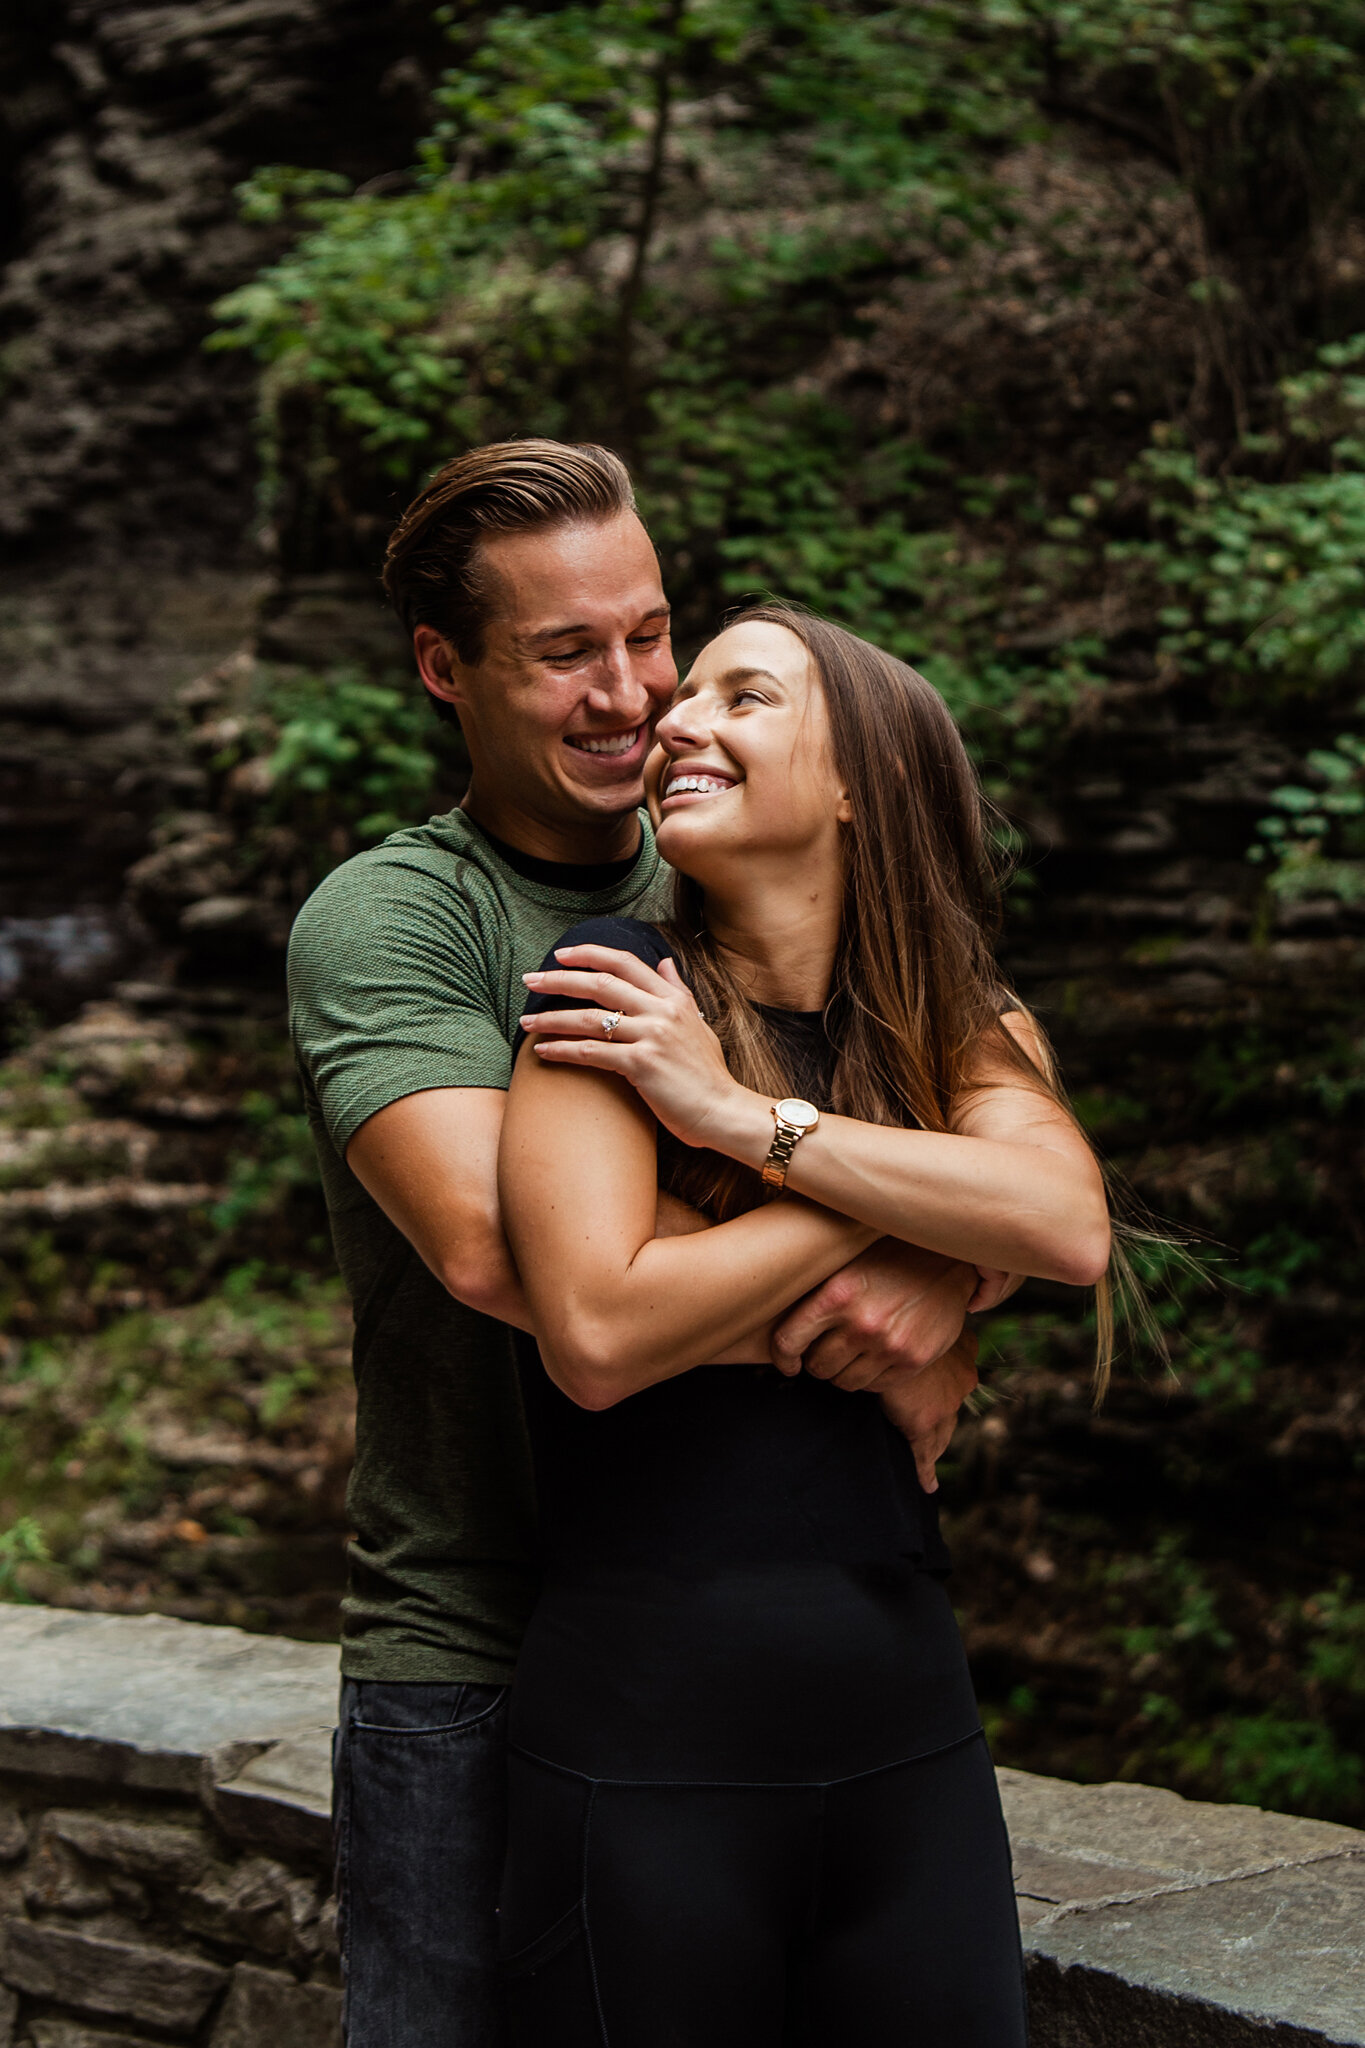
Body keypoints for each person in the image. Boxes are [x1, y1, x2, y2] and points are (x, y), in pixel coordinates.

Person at [287, 442, 1000, 2048]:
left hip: (769, 1626)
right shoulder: (399, 919)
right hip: (470, 1642)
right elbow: (522, 1271)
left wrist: (957, 1269)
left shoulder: (741, 864)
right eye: (562, 654)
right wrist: (903, 1235)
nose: (630, 695)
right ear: (441, 669)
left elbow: (1021, 1183)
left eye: (648, 634)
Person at [497, 602, 1115, 2045]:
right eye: (685, 693)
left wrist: (731, 1121)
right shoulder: (616, 986)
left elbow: (1068, 1230)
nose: (675, 722)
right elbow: (595, 1329)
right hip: (644, 1752)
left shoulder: (958, 1015)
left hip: (910, 1751)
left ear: (859, 783)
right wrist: (904, 1211)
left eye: (744, 695)